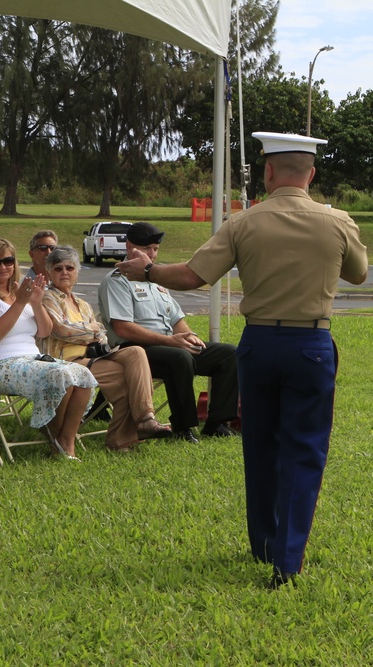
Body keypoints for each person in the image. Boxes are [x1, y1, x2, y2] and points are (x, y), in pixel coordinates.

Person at [117, 132, 368, 589]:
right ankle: (287, 561)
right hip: (311, 344)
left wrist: (148, 270)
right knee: (304, 448)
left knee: (261, 445)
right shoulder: (337, 221)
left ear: (269, 172)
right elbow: (358, 273)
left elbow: (193, 276)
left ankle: (263, 543)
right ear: (311, 174)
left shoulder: (244, 222)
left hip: (259, 344)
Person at [98, 222, 239, 444]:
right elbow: (123, 327)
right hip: (135, 351)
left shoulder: (155, 279)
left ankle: (217, 423)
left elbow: (177, 319)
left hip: (169, 344)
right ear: (129, 247)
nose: (152, 255)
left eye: (155, 249)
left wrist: (189, 337)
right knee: (179, 358)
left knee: (229, 354)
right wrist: (172, 342)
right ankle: (184, 428)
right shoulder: (117, 281)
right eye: (146, 249)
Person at [0, 238, 97, 460]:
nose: (3, 267)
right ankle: (55, 437)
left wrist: (35, 302)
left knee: (83, 374)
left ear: (15, 263)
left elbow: (44, 331)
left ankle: (66, 439)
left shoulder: (21, 292)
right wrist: (19, 303)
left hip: (32, 359)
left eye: (8, 260)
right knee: (60, 374)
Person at [41, 246, 170, 452]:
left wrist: (92, 331)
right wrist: (91, 330)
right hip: (64, 362)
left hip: (90, 359)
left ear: (77, 272)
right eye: (58, 268)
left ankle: (144, 419)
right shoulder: (48, 298)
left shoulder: (83, 304)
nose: (64, 272)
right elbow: (62, 331)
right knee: (128, 377)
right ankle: (125, 437)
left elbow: (102, 335)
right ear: (49, 271)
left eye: (69, 268)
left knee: (136, 352)